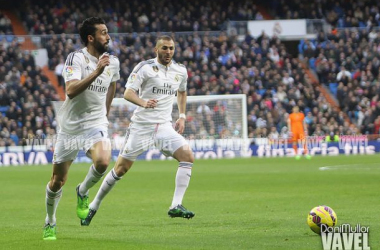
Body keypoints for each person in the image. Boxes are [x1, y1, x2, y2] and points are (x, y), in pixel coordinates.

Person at [80, 35, 195, 226]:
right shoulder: (145, 68)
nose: (168, 52)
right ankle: (93, 205)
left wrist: (182, 116)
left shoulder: (180, 70)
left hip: (164, 127)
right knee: (120, 169)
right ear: (156, 50)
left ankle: (176, 205)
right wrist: (143, 102)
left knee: (188, 156)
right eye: (164, 48)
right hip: (141, 127)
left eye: (171, 48)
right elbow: (127, 92)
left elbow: (182, 92)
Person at [43, 17, 120, 240]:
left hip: (95, 123)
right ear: (91, 37)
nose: (108, 36)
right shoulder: (76, 58)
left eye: (107, 32)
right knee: (57, 181)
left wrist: (105, 111)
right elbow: (71, 90)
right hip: (70, 127)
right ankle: (50, 221)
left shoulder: (112, 62)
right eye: (104, 33)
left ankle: (83, 191)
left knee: (103, 160)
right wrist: (96, 71)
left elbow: (112, 84)